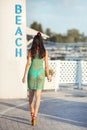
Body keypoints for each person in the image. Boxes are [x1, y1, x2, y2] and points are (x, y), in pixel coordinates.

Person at [22, 32, 51, 126]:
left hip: (32, 74)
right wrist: (48, 75)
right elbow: (46, 66)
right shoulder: (45, 52)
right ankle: (35, 117)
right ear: (41, 41)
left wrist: (24, 76)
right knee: (38, 97)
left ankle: (32, 114)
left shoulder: (31, 51)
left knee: (30, 97)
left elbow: (28, 64)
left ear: (34, 41)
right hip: (40, 74)